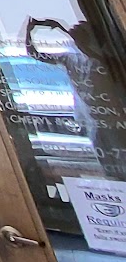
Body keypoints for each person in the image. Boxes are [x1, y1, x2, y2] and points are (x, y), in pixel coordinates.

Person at [25, 16, 126, 179]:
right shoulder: (70, 58)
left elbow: (99, 59)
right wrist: (29, 31)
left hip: (115, 122)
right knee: (109, 167)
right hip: (93, 123)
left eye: (81, 33)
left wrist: (66, 32)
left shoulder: (103, 58)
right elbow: (35, 54)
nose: (75, 35)